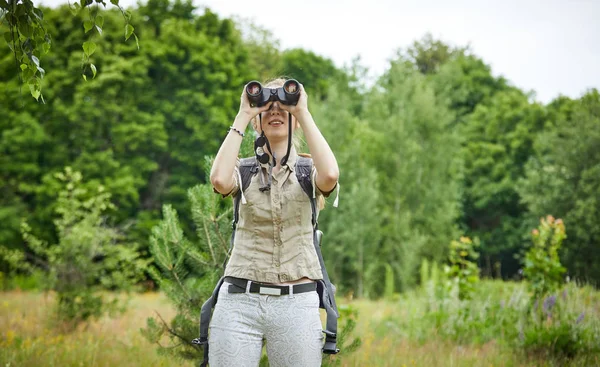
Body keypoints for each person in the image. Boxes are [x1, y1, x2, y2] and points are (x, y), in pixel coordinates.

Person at [208, 78, 340, 367]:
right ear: (258, 121)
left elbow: (330, 175)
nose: (276, 112)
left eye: (284, 108)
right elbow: (218, 180)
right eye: (267, 108)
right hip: (239, 302)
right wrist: (244, 114)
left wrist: (303, 112)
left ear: (295, 119)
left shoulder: (308, 171)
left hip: (297, 302)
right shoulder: (242, 171)